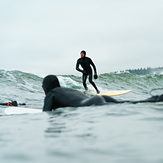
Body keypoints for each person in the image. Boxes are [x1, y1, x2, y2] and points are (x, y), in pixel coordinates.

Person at [42, 75, 163, 111]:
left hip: (91, 103)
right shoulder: (67, 90)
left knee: (125, 105)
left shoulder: (51, 93)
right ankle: (156, 98)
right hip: (99, 98)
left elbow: (46, 113)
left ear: (45, 88)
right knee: (128, 103)